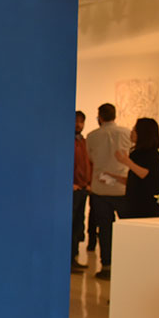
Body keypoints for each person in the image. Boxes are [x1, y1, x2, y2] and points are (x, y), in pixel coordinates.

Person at [86, 103, 131, 280]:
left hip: (101, 188)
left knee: (104, 230)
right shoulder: (126, 133)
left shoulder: (92, 136)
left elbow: (91, 158)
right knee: (126, 229)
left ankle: (107, 265)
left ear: (100, 117)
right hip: (122, 188)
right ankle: (126, 263)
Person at [113, 118, 159, 218]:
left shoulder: (153, 154)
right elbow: (135, 179)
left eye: (135, 130)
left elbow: (145, 174)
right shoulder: (136, 153)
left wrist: (126, 161)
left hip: (146, 206)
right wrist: (114, 178)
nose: (131, 132)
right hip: (132, 203)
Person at [72, 111, 91, 272]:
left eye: (81, 122)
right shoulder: (69, 141)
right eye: (76, 121)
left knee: (79, 223)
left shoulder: (83, 142)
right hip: (73, 189)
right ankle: (70, 259)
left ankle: (75, 257)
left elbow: (86, 163)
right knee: (72, 224)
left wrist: (88, 183)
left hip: (83, 188)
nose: (79, 124)